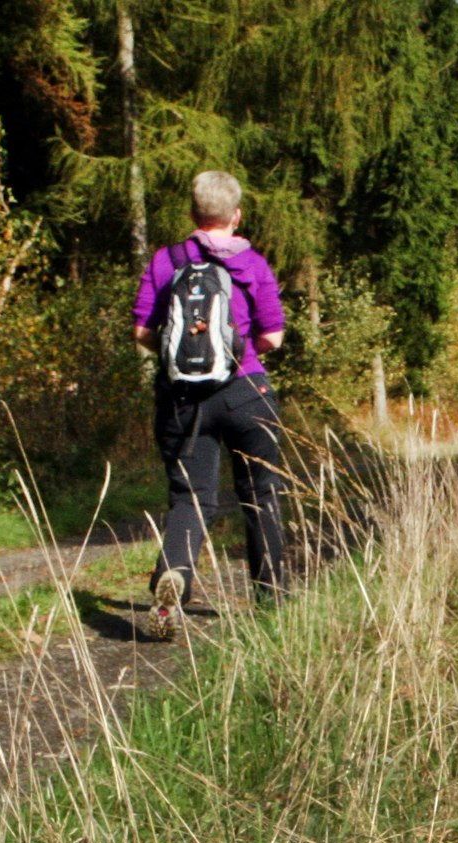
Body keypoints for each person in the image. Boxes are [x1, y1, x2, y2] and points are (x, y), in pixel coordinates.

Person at [132, 170, 288, 637]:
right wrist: (241, 349)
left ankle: (173, 578)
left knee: (190, 498)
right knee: (261, 496)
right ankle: (271, 600)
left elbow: (141, 331)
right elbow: (274, 336)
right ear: (235, 215)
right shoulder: (253, 264)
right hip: (247, 392)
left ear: (193, 214)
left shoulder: (167, 260)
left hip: (183, 399)